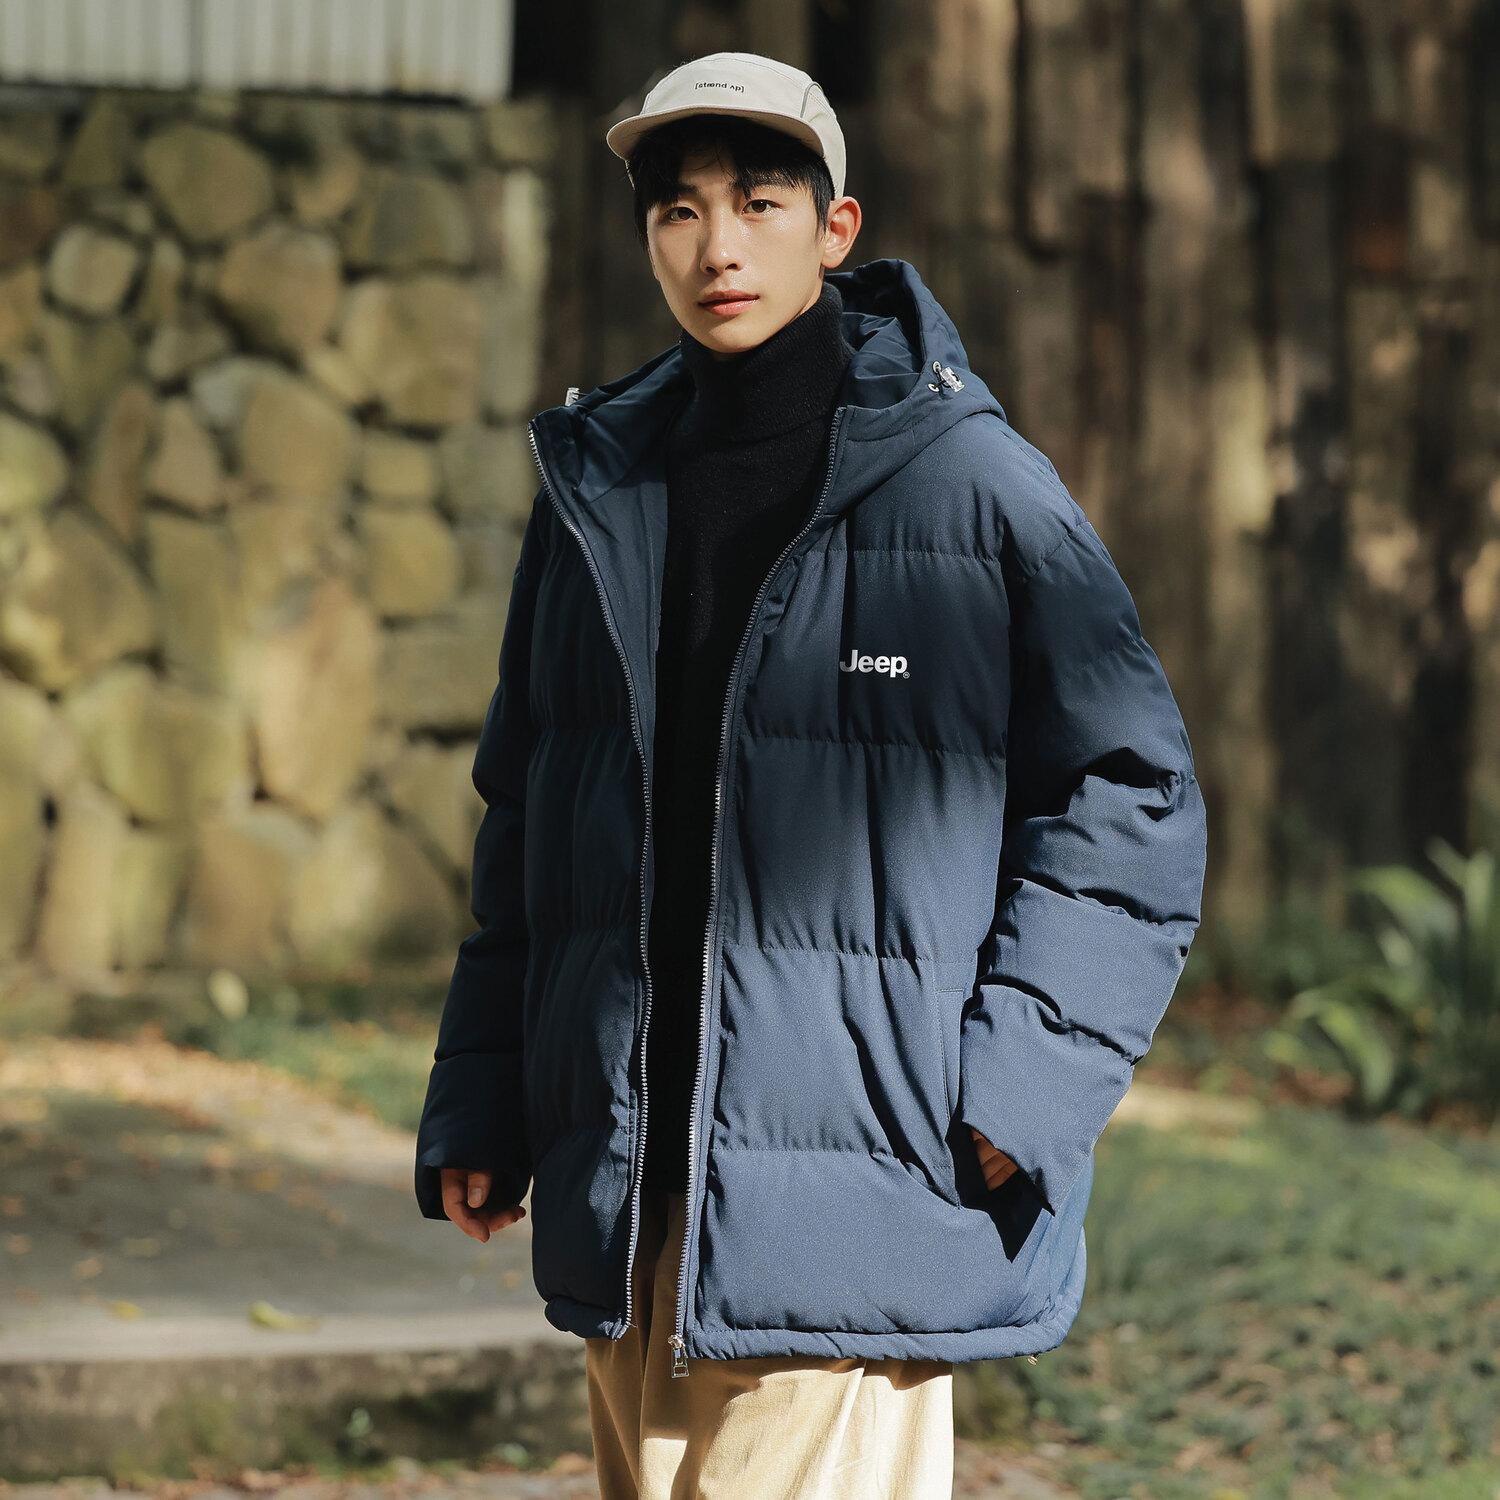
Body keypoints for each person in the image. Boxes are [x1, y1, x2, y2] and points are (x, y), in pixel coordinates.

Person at [414, 50, 1208, 1500]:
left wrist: (1023, 1083)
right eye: (680, 210)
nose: (717, 246)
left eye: (760, 203)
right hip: (636, 1189)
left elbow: (1131, 792)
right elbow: (532, 811)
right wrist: (486, 1101)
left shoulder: (972, 488)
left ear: (835, 229)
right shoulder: (599, 492)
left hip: (866, 1188)